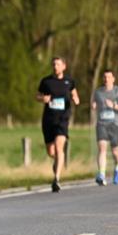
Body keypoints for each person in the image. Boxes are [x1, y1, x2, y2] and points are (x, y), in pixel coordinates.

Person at [36, 56, 80, 192]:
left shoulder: (69, 81)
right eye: (54, 64)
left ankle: (56, 179)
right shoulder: (46, 81)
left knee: (59, 147)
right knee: (51, 151)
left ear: (64, 66)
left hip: (63, 119)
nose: (55, 67)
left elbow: (75, 95)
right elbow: (37, 96)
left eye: (58, 64)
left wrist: (75, 99)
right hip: (49, 120)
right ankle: (58, 162)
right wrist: (43, 98)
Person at [91, 69, 118, 185]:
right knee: (102, 147)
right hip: (101, 124)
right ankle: (101, 174)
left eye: (109, 77)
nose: (106, 79)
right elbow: (94, 103)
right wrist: (94, 105)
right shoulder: (98, 92)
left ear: (113, 79)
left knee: (115, 150)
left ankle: (117, 168)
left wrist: (114, 105)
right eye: (104, 77)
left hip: (114, 124)